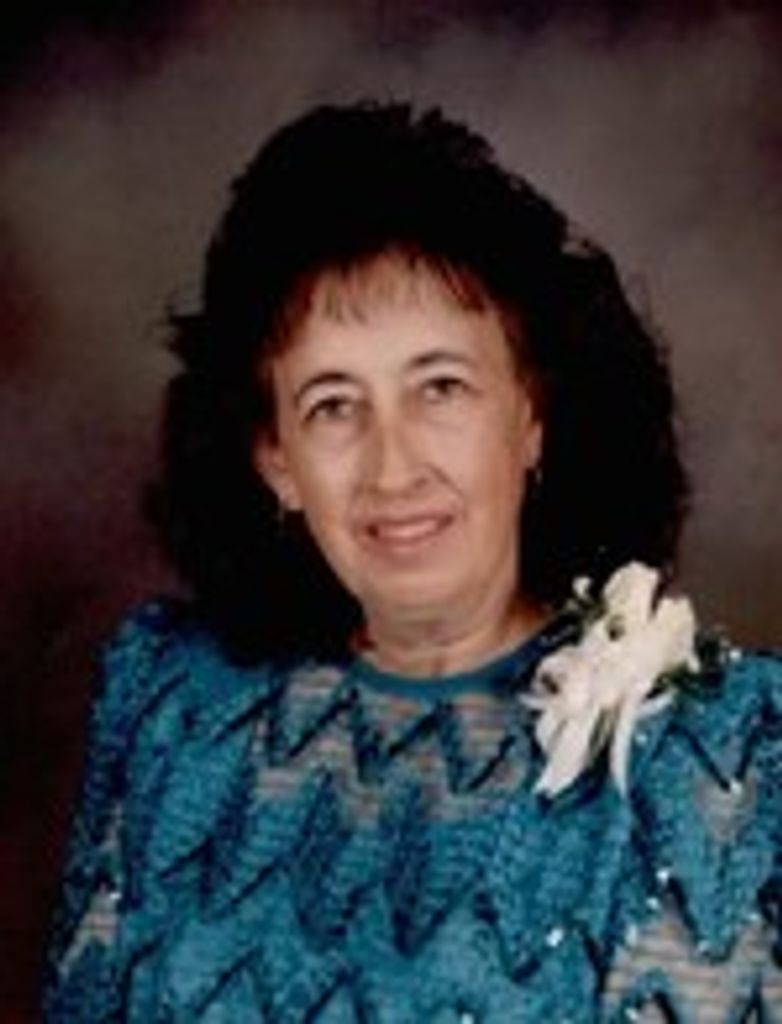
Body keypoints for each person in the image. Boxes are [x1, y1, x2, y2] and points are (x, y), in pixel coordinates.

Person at [44, 101, 780, 1022]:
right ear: (276, 461)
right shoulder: (170, 700)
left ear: (533, 416)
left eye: (441, 388)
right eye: (333, 405)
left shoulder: (716, 753)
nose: (393, 469)